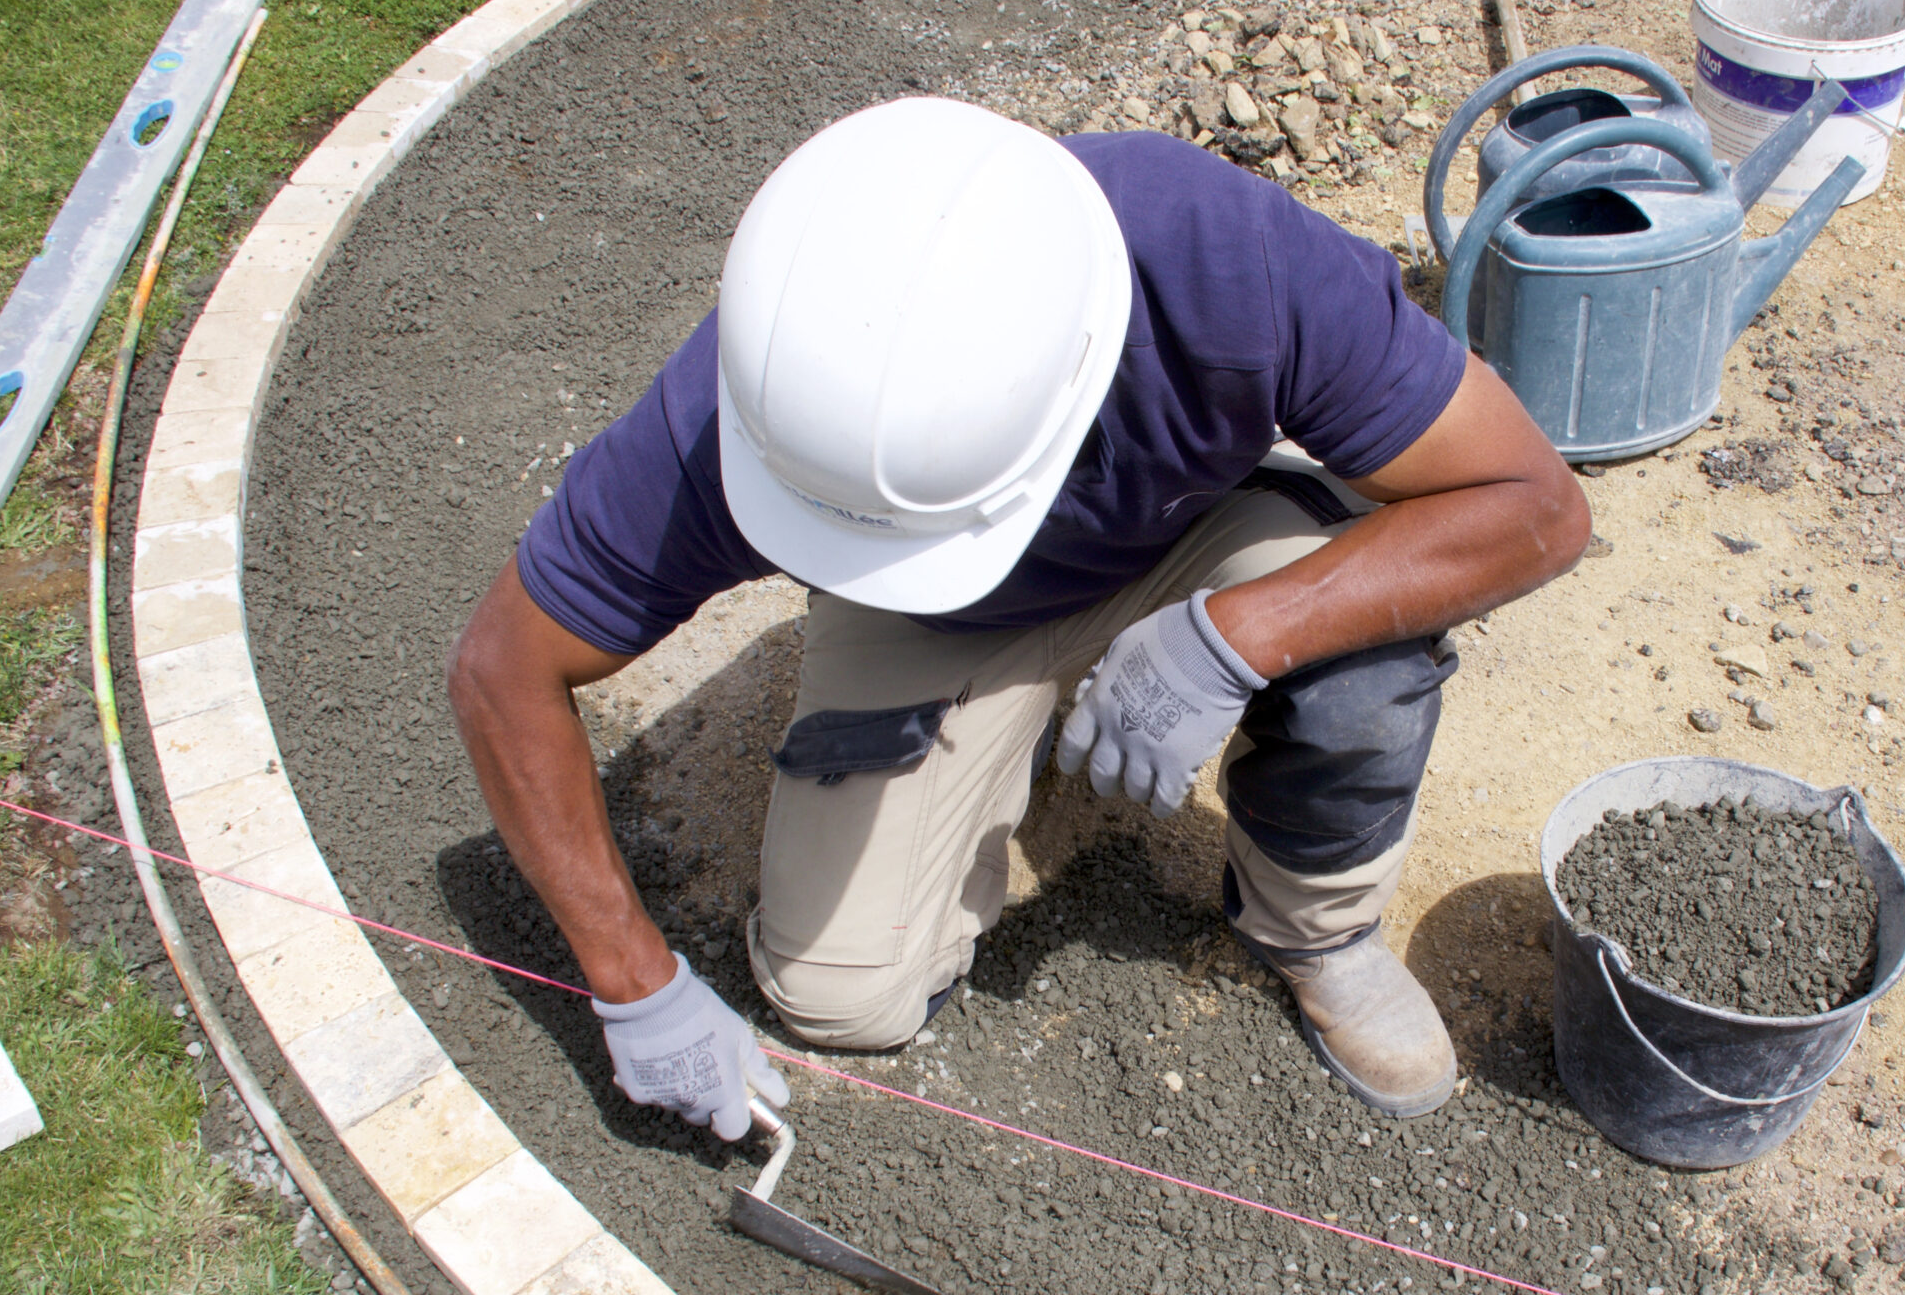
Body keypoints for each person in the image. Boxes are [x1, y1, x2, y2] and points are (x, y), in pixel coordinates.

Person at [448, 97, 1587, 1146]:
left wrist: (1238, 632)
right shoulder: (748, 416)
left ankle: (1319, 930)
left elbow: (1536, 508)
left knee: (1366, 655)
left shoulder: (1218, 260)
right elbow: (505, 670)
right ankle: (1030, 743)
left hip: (1189, 537)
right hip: (927, 622)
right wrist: (632, 982)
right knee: (841, 996)